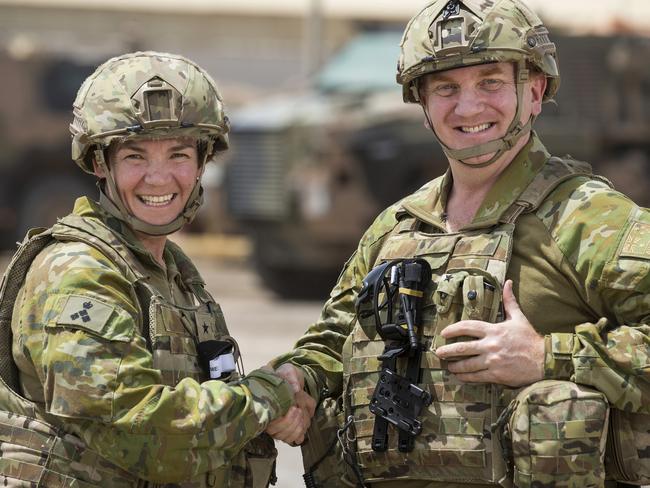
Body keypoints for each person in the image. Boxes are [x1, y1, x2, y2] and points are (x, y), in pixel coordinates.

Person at [267, 1, 650, 487]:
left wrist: (548, 356)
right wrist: (297, 380)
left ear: (533, 91)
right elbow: (334, 340)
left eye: (490, 82)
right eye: (445, 88)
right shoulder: (397, 227)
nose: (468, 107)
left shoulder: (589, 219)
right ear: (423, 107)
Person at [0, 51, 313, 487]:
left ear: (203, 161)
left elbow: (214, 387)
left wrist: (277, 394)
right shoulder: (78, 271)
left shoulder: (172, 272)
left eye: (178, 154)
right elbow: (143, 433)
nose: (159, 178)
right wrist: (269, 396)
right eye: (135, 156)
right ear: (98, 162)